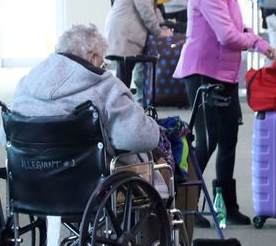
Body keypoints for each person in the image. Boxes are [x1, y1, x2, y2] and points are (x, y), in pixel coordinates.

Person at [175, 0, 275, 227]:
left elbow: (236, 28)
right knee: (207, 141)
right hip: (204, 73)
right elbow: (227, 37)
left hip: (224, 74)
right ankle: (186, 205)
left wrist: (257, 39)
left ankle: (228, 206)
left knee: (229, 139)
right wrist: (256, 42)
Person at [12, 23, 163, 153]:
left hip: (30, 177)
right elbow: (140, 139)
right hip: (91, 179)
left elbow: (5, 136)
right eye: (103, 62)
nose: (103, 67)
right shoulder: (108, 87)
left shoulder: (27, 83)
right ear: (93, 57)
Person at [106, 0, 173, 89]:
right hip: (125, 32)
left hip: (124, 31)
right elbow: (146, 12)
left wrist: (163, 25)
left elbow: (153, 9)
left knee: (125, 70)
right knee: (124, 71)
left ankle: (121, 101)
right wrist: (159, 31)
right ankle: (120, 102)